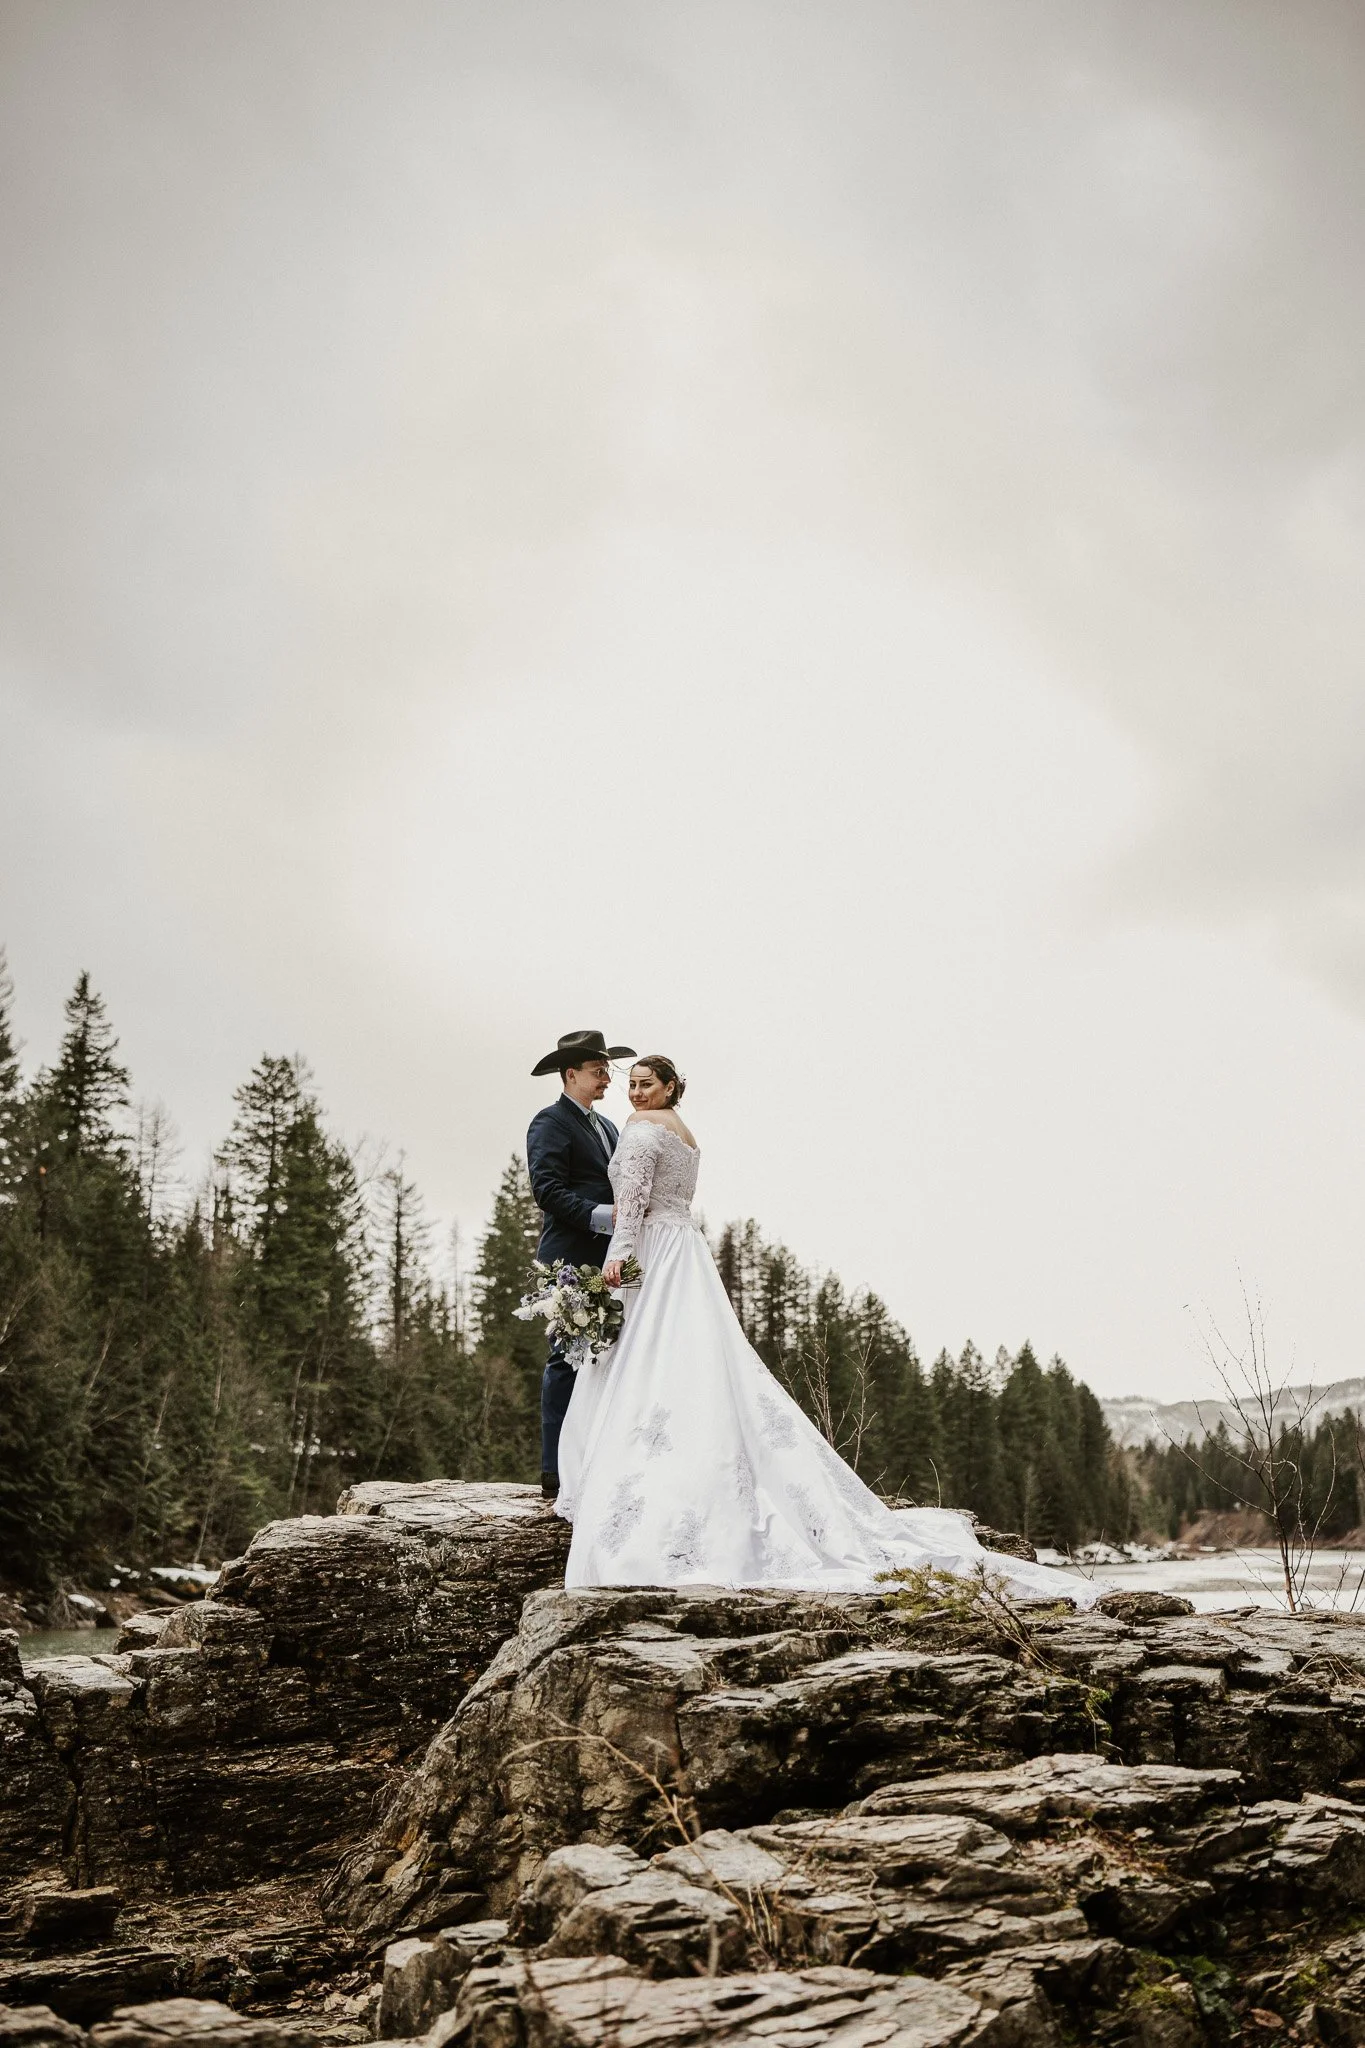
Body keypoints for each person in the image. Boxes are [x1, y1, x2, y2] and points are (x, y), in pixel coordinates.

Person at [556, 1054, 1100, 1606]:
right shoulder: (686, 1134)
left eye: (648, 1084)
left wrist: (618, 1256)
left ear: (672, 1087)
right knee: (690, 1357)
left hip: (653, 1250)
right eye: (633, 1085)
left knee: (654, 1358)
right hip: (683, 1249)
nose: (637, 1093)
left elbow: (632, 1202)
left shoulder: (644, 1127)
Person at [526, 1028, 636, 1500]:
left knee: (610, 1359)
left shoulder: (610, 1127)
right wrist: (604, 1217)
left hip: (612, 1262)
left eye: (608, 1071)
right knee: (567, 1358)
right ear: (571, 1074)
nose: (607, 1080)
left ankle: (595, 1460)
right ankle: (555, 1471)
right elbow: (545, 1189)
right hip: (569, 1261)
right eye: (598, 1072)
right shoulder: (549, 1122)